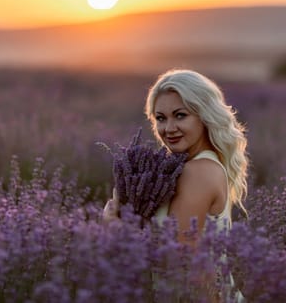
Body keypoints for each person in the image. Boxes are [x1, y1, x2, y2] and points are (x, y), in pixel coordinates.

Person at [103, 68, 248, 302]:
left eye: (180, 115)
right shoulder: (192, 167)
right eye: (160, 118)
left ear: (204, 115)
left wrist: (115, 229)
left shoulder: (199, 172)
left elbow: (175, 260)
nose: (169, 129)